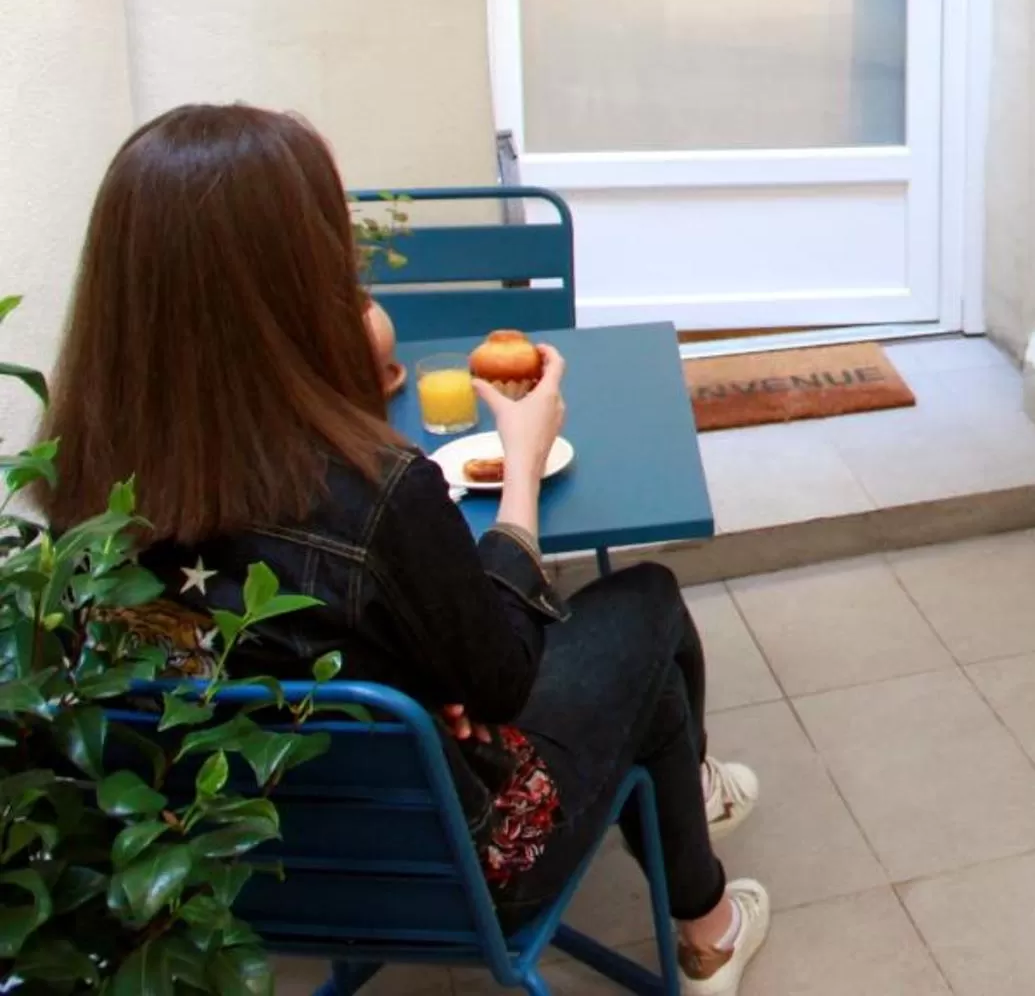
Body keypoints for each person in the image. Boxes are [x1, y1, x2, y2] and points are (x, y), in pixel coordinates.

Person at [36, 105, 771, 994]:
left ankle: (700, 828)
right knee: (646, 609)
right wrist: (525, 472)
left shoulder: (74, 476)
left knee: (597, 662)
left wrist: (411, 694)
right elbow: (501, 678)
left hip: (232, 870)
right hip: (457, 867)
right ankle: (709, 924)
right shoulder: (381, 494)